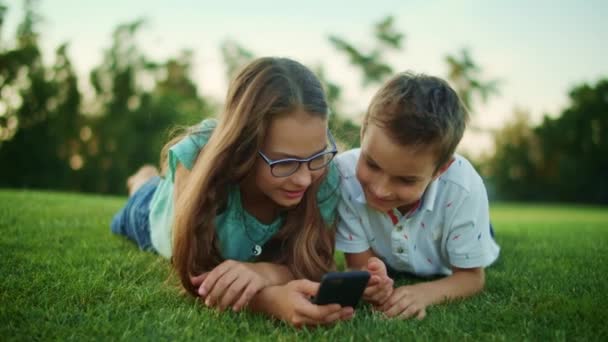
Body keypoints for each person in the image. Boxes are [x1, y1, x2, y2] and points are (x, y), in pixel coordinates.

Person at [111, 57, 354, 327]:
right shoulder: (199, 157)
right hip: (153, 216)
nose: (305, 179)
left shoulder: (325, 172)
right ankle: (143, 181)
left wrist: (265, 272)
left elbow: (319, 263)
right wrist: (269, 301)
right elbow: (197, 276)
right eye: (284, 162)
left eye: (316, 156)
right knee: (141, 198)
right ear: (245, 146)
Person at [335, 72, 500, 320]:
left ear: (439, 170)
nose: (380, 190)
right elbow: (358, 264)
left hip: (449, 233)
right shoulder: (344, 175)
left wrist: (425, 293)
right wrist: (372, 280)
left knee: (480, 235)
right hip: (399, 245)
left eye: (405, 179)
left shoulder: (463, 187)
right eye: (372, 164)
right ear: (363, 133)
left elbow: (472, 277)